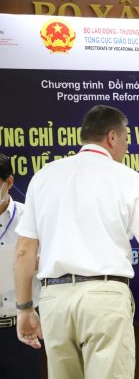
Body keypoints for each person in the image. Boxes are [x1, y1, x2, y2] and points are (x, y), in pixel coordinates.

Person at [13, 105, 139, 379]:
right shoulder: (128, 179)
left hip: (54, 301)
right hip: (105, 299)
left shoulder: (44, 176)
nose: (127, 146)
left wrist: (25, 308)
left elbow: (24, 250)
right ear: (112, 137)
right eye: (126, 138)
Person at [0, 153, 42, 378]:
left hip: (21, 327)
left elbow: (49, 263)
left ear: (9, 182)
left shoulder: (29, 217)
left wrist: (33, 262)